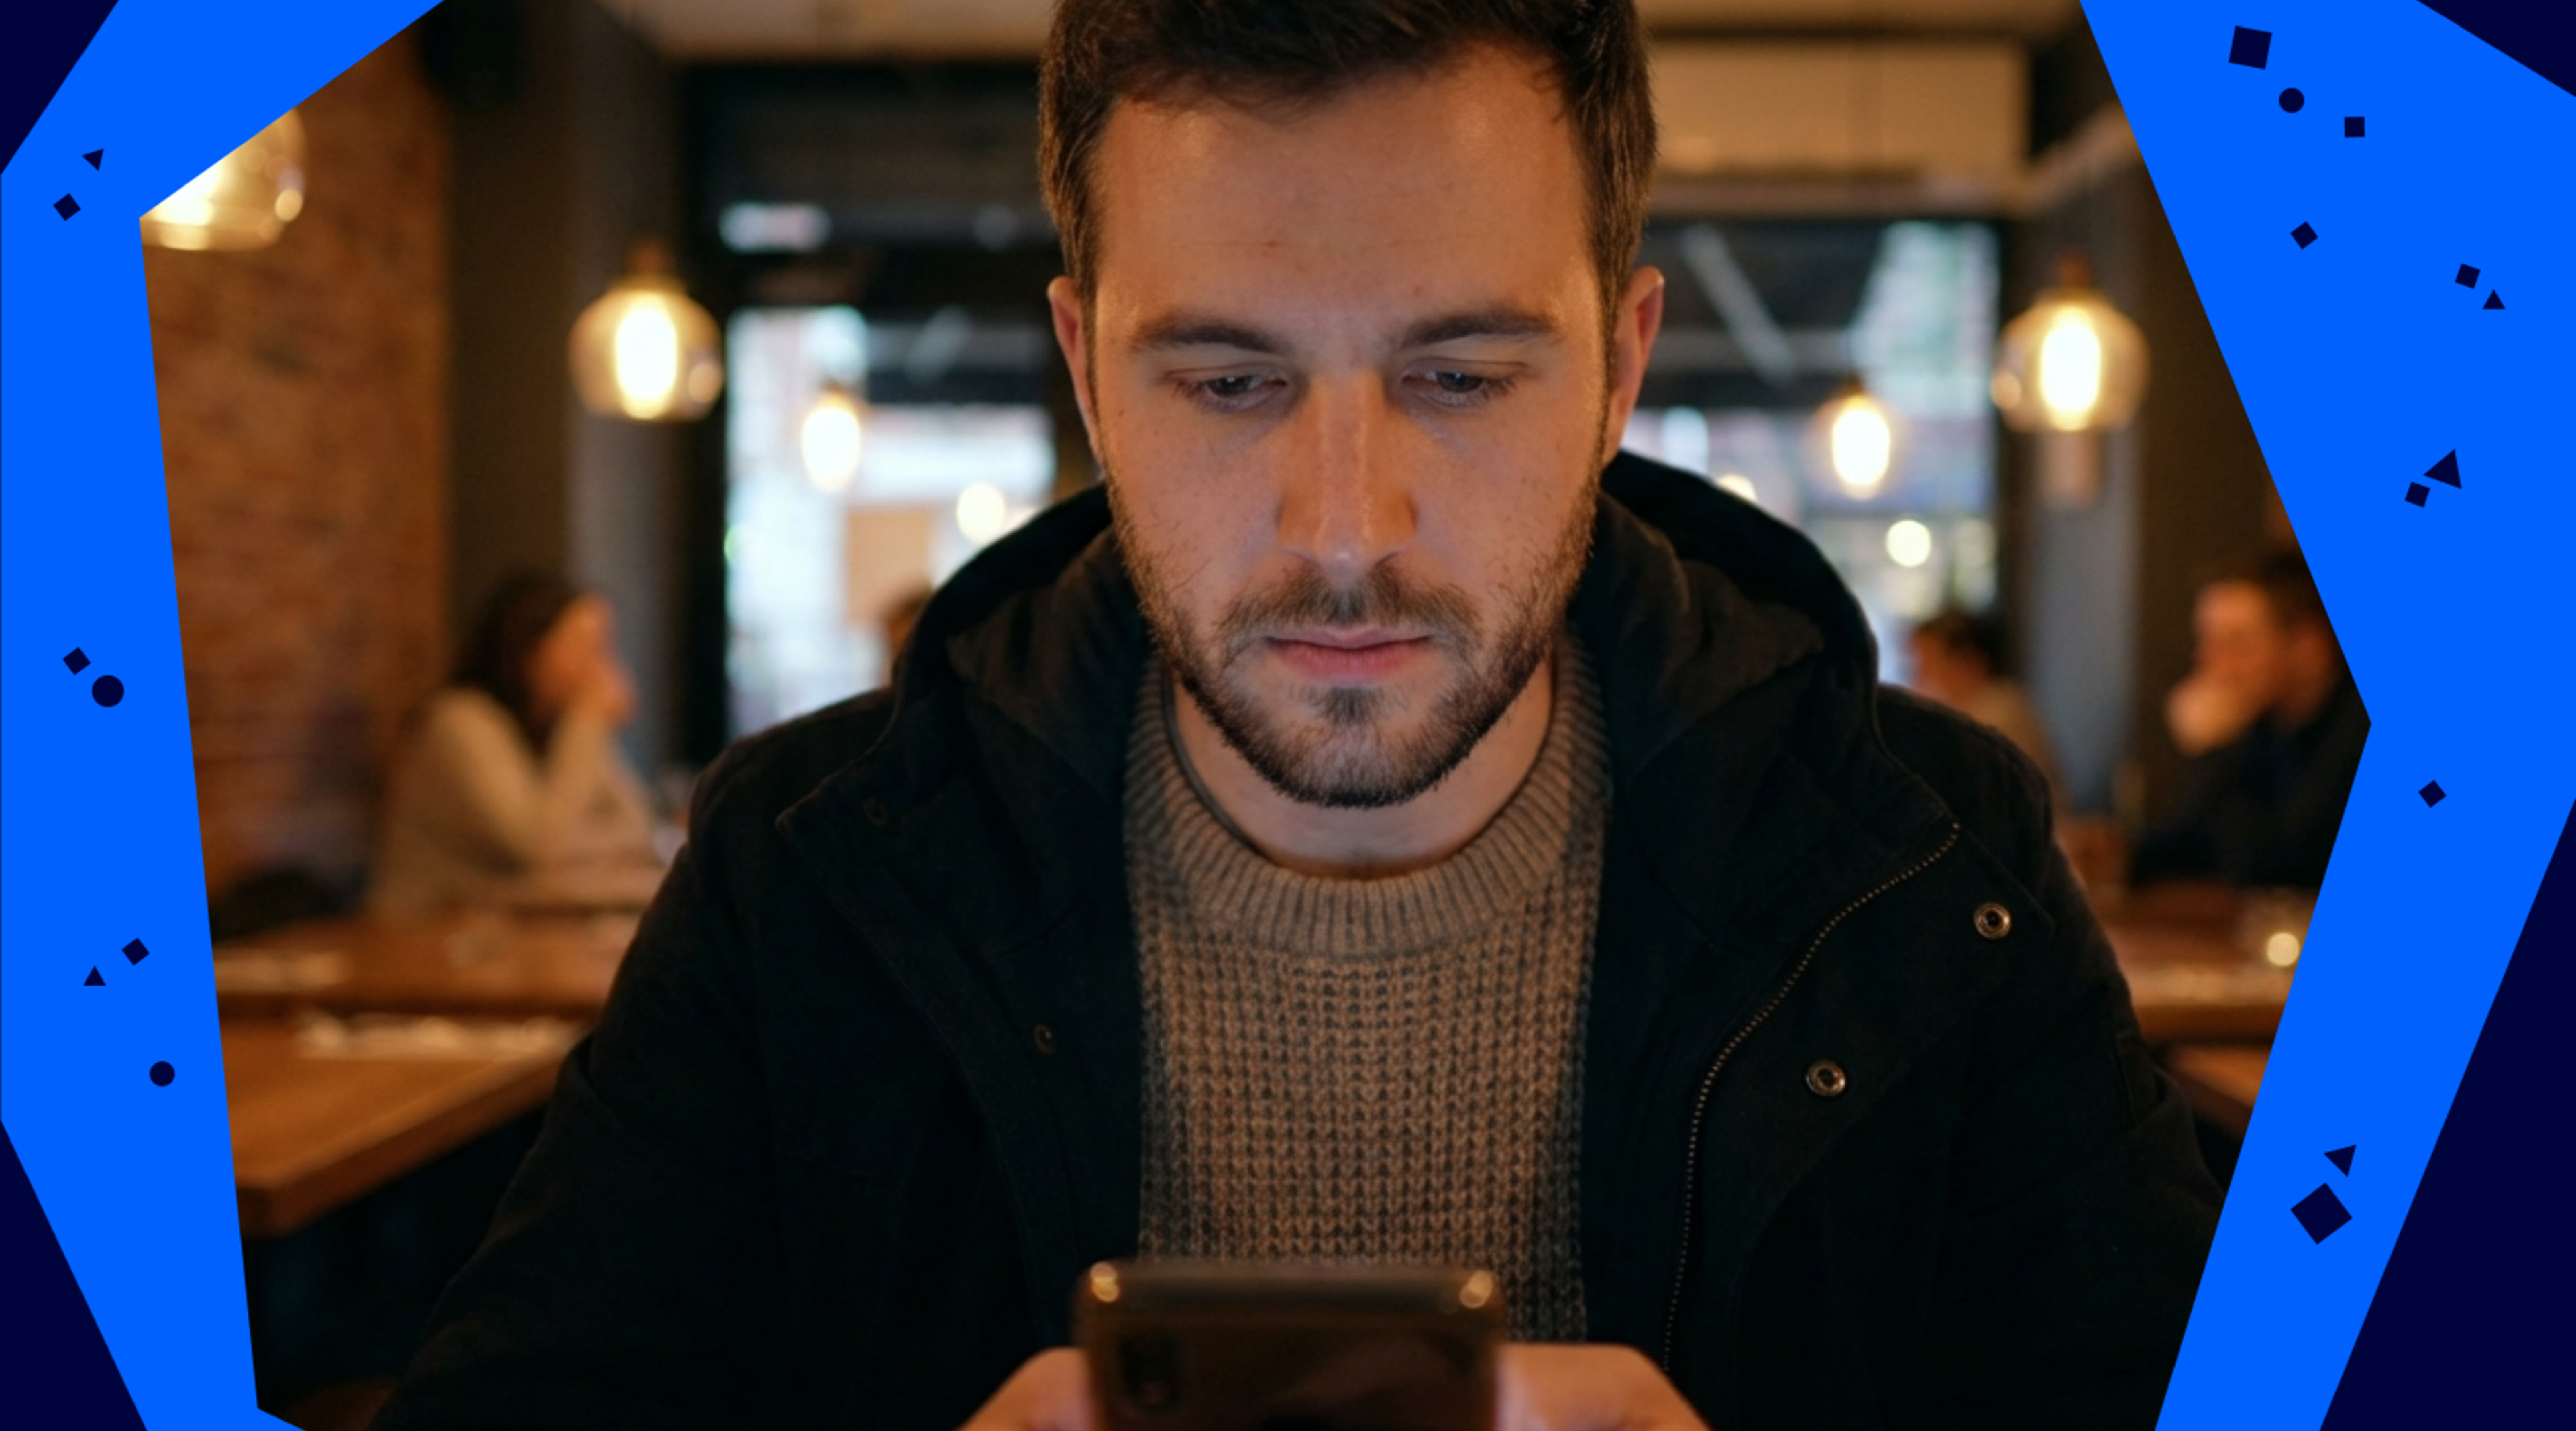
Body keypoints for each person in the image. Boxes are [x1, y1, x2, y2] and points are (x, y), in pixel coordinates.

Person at [374, 5, 2216, 1428]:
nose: (1349, 530)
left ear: (1622, 368)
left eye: (1465, 373)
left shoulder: (1926, 862)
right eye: (1235, 378)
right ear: (1091, 370)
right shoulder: (802, 875)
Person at [368, 573, 665, 915]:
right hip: (417, 936)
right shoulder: (458, 721)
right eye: (586, 646)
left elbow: (640, 831)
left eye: (604, 647)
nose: (601, 668)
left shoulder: (559, 727)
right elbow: (539, 847)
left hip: (503, 935)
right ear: (528, 648)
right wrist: (586, 725)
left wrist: (589, 734)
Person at [2130, 549, 2367, 888]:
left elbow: (2279, 870)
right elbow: (2180, 849)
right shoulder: (2265, 725)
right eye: (2206, 640)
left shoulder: (2359, 732)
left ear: (2309, 649)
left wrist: (2211, 752)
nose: (2210, 662)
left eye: (2236, 642)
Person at [1905, 607, 2059, 792]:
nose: (1920, 674)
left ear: (1969, 661)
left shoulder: (2000, 711)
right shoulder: (1959, 707)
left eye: (1929, 661)